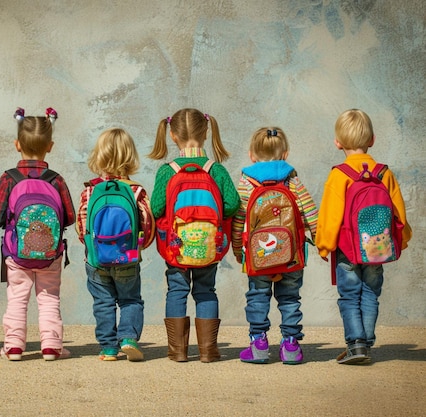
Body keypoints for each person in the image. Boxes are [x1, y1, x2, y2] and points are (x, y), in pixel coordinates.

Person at [315, 109, 412, 364]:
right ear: (372, 140)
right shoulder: (384, 173)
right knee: (371, 292)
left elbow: (330, 214)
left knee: (350, 295)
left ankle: (356, 344)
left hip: (347, 248)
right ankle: (366, 341)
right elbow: (399, 211)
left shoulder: (339, 175)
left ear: (338, 143)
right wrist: (401, 239)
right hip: (377, 247)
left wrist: (324, 245)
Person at [148, 108, 240, 362]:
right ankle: (208, 351)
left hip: (176, 247)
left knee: (176, 290)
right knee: (206, 291)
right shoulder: (216, 170)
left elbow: (156, 208)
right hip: (210, 246)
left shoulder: (167, 171)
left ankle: (177, 351)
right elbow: (232, 204)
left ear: (173, 135)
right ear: (207, 132)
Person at [0, 107, 75, 361]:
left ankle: (14, 346)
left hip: (16, 255)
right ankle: (51, 346)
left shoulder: (9, 178)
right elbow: (68, 216)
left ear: (17, 145)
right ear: (50, 146)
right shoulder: (55, 180)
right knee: (49, 299)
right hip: (51, 254)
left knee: (17, 298)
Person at [231, 127, 318, 364]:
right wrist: (320, 239)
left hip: (258, 255)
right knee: (290, 298)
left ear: (252, 155)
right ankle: (290, 346)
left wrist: (238, 249)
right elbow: (309, 210)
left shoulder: (246, 182)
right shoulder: (292, 179)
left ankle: (258, 344)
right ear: (285, 153)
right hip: (292, 255)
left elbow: (239, 219)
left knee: (257, 297)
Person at [76, 128, 155, 361]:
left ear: (98, 157)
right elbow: (147, 226)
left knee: (103, 302)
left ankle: (108, 347)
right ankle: (128, 338)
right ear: (130, 158)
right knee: (130, 299)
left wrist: (92, 246)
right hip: (127, 257)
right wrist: (138, 247)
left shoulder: (90, 191)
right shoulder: (136, 191)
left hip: (96, 259)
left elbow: (82, 227)